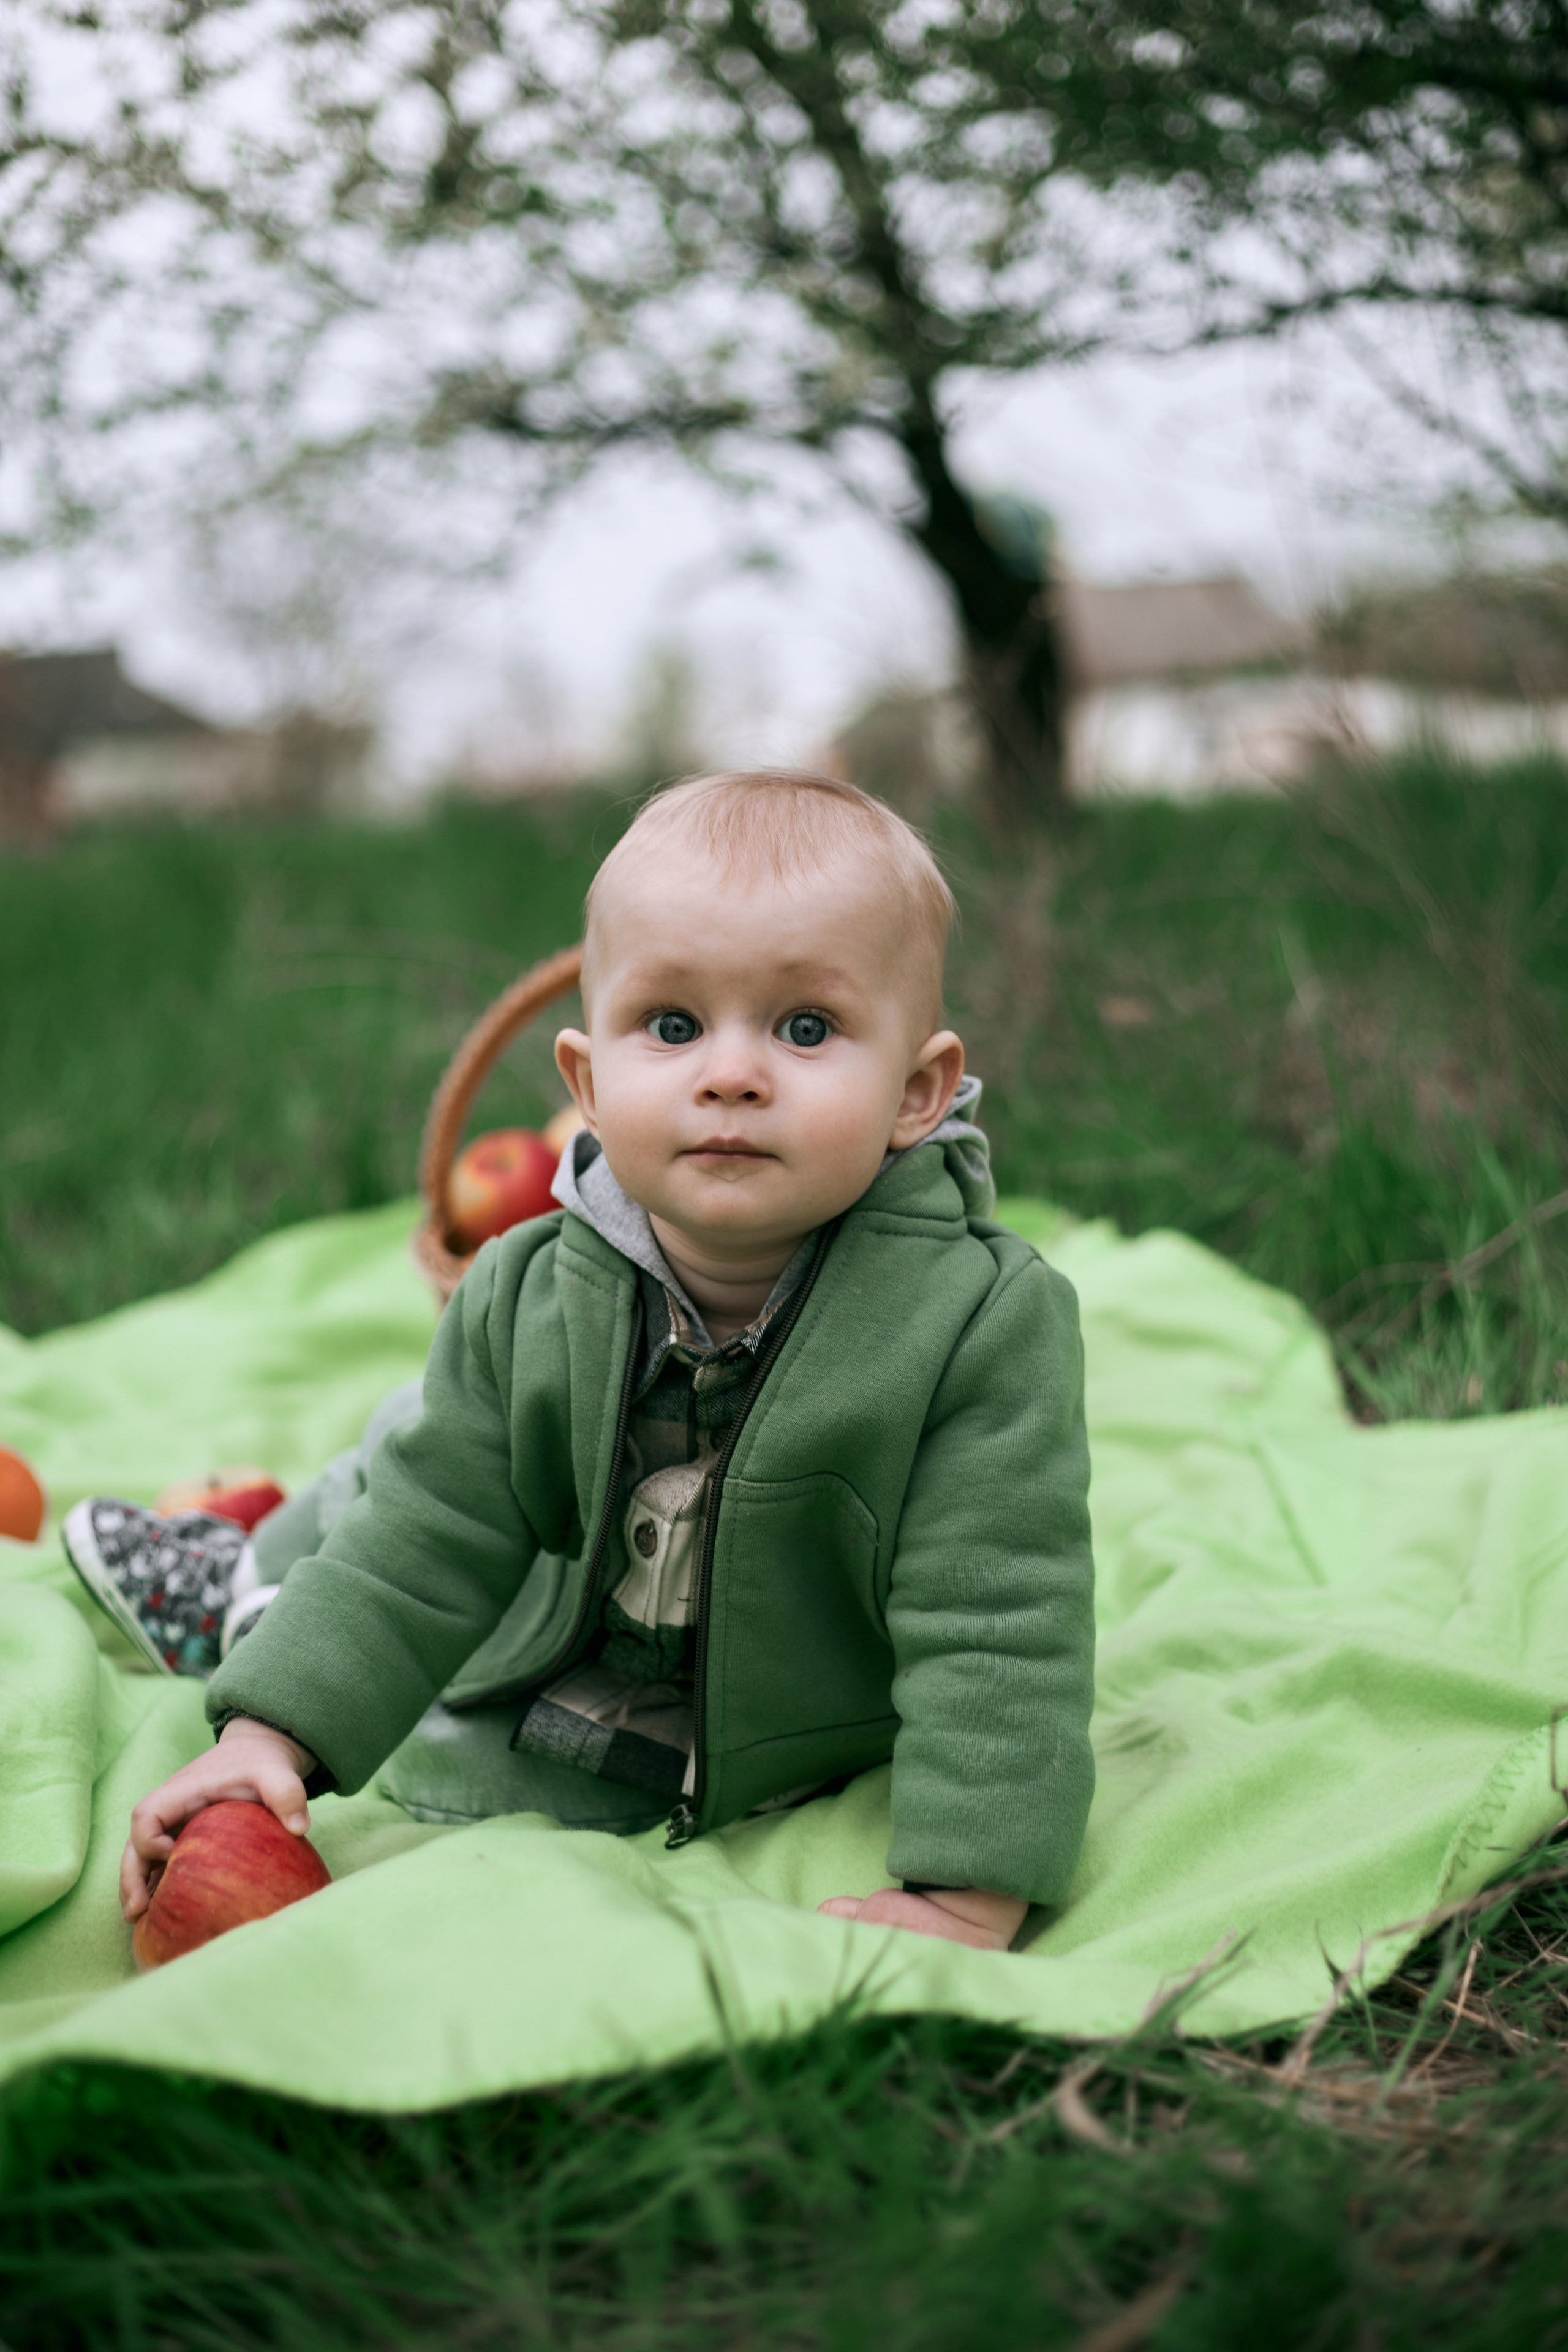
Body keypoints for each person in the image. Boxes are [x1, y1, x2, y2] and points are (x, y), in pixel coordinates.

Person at [68, 770, 1096, 1954]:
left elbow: (1001, 1609)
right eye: (673, 1026)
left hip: (785, 1707)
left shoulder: (980, 1323)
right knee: (405, 1455)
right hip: (570, 1621)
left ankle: (250, 1592)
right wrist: (268, 1737)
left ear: (917, 1092)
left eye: (806, 1028)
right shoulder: (525, 1286)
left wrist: (969, 1880)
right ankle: (251, 1599)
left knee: (439, 1719)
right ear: (589, 1085)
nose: (731, 1072)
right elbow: (429, 1535)